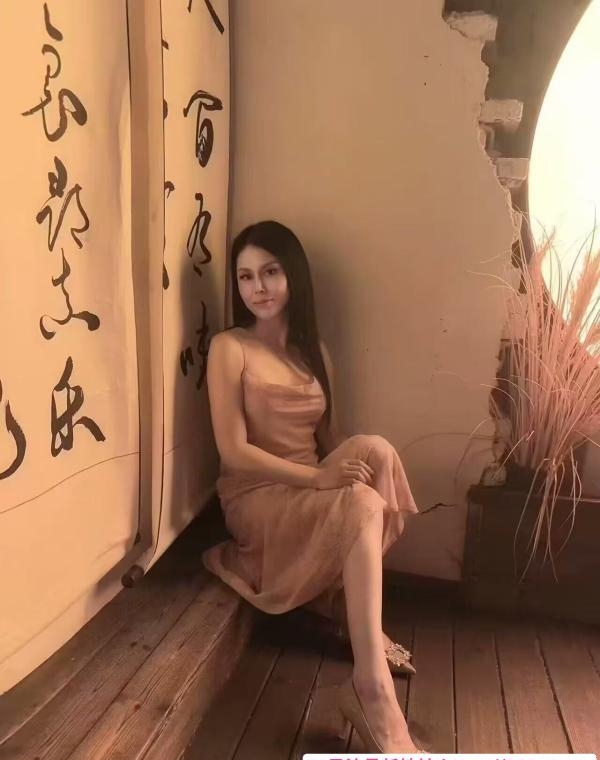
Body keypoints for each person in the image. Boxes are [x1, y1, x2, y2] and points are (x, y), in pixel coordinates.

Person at [202, 220, 423, 752]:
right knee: (361, 501)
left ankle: (350, 609)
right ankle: (371, 689)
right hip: (256, 494)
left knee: (376, 449)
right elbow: (233, 451)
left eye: (270, 272)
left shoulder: (314, 351)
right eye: (245, 276)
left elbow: (330, 439)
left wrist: (336, 477)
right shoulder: (230, 347)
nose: (258, 288)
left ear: (293, 276)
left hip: (308, 482)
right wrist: (322, 480)